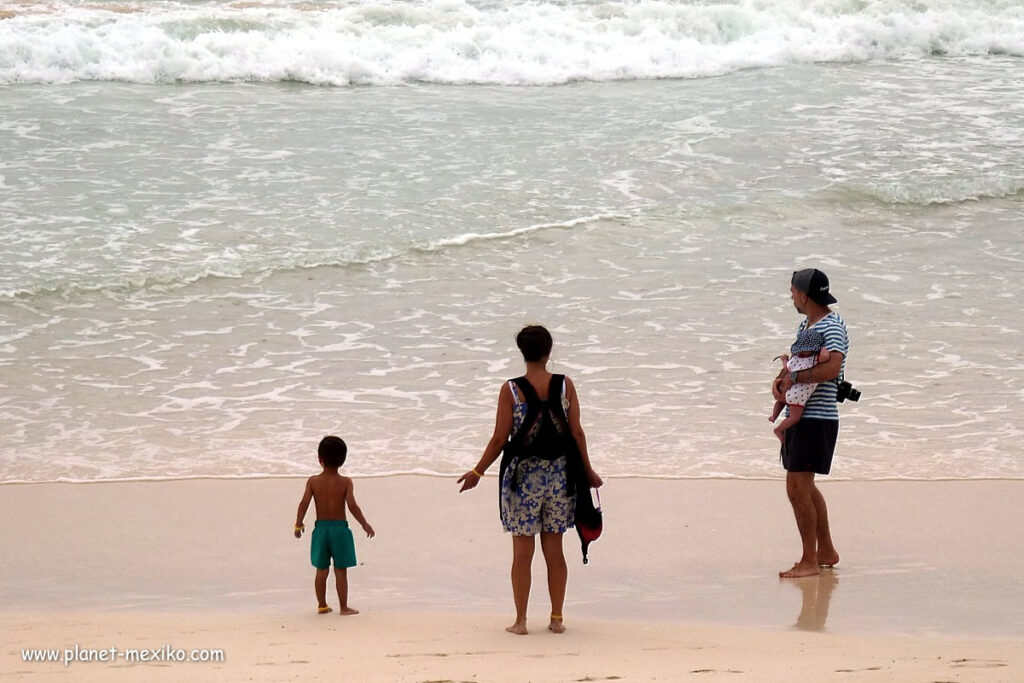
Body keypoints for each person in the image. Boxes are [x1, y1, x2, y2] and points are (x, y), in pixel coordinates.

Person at [458, 325, 603, 635]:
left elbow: (499, 439)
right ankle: (557, 618)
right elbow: (577, 432)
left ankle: (521, 621)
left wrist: (478, 471)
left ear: (522, 352)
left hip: (522, 481)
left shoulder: (511, 389)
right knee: (555, 550)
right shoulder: (565, 386)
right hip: (560, 477)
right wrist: (588, 472)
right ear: (549, 350)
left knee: (522, 554)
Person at [772, 269, 849, 579]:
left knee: (797, 487)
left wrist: (795, 378)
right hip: (805, 414)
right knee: (805, 486)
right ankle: (825, 550)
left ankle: (809, 561)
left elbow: (831, 368)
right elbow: (798, 364)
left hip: (817, 418)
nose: (791, 296)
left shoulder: (832, 326)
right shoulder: (807, 325)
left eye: (793, 291)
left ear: (804, 295)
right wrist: (780, 383)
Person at [294, 435, 375, 615]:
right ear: (343, 460)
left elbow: (303, 504)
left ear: (319, 459)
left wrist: (298, 525)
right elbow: (352, 506)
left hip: (321, 530)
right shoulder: (345, 482)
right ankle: (344, 607)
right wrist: (364, 524)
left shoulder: (313, 481)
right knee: (340, 570)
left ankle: (322, 605)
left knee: (321, 570)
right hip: (340, 530)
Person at [769, 328, 831, 442]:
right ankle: (778, 429)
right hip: (799, 395)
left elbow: (785, 368)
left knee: (781, 401)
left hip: (788, 390)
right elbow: (826, 356)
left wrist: (785, 359)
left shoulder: (795, 359)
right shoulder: (813, 359)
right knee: (795, 417)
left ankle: (774, 416)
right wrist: (823, 347)